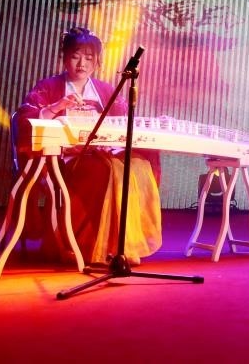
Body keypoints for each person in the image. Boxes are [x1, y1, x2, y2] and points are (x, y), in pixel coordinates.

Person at [16, 27, 162, 264]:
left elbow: (122, 124)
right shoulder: (49, 87)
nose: (82, 63)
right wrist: (56, 106)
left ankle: (121, 246)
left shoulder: (105, 90)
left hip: (100, 154)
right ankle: (85, 246)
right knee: (100, 171)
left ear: (97, 61)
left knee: (136, 166)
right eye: (75, 56)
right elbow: (25, 120)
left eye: (89, 57)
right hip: (64, 159)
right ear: (65, 58)